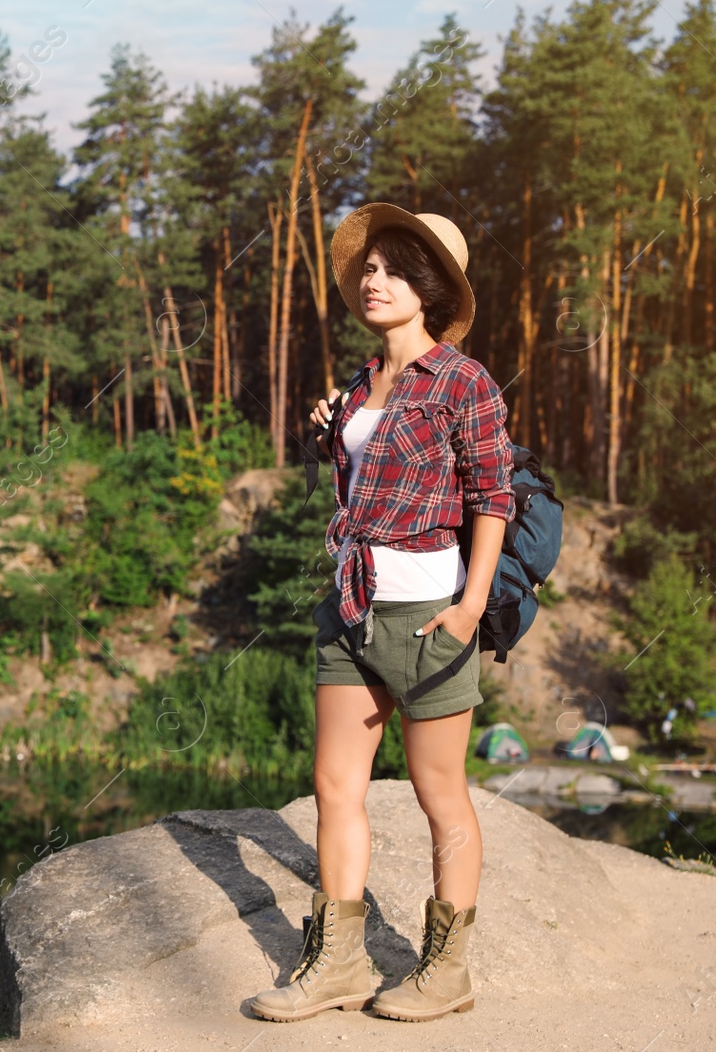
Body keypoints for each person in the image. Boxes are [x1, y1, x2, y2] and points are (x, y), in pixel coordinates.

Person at [247, 204, 515, 1023]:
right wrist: (333, 433)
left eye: (393, 269)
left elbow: (491, 497)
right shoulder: (365, 382)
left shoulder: (464, 381)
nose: (373, 279)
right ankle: (339, 960)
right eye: (369, 269)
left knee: (440, 793)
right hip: (352, 604)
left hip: (430, 611)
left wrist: (471, 607)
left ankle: (447, 969)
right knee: (335, 785)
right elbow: (369, 480)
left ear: (429, 288)